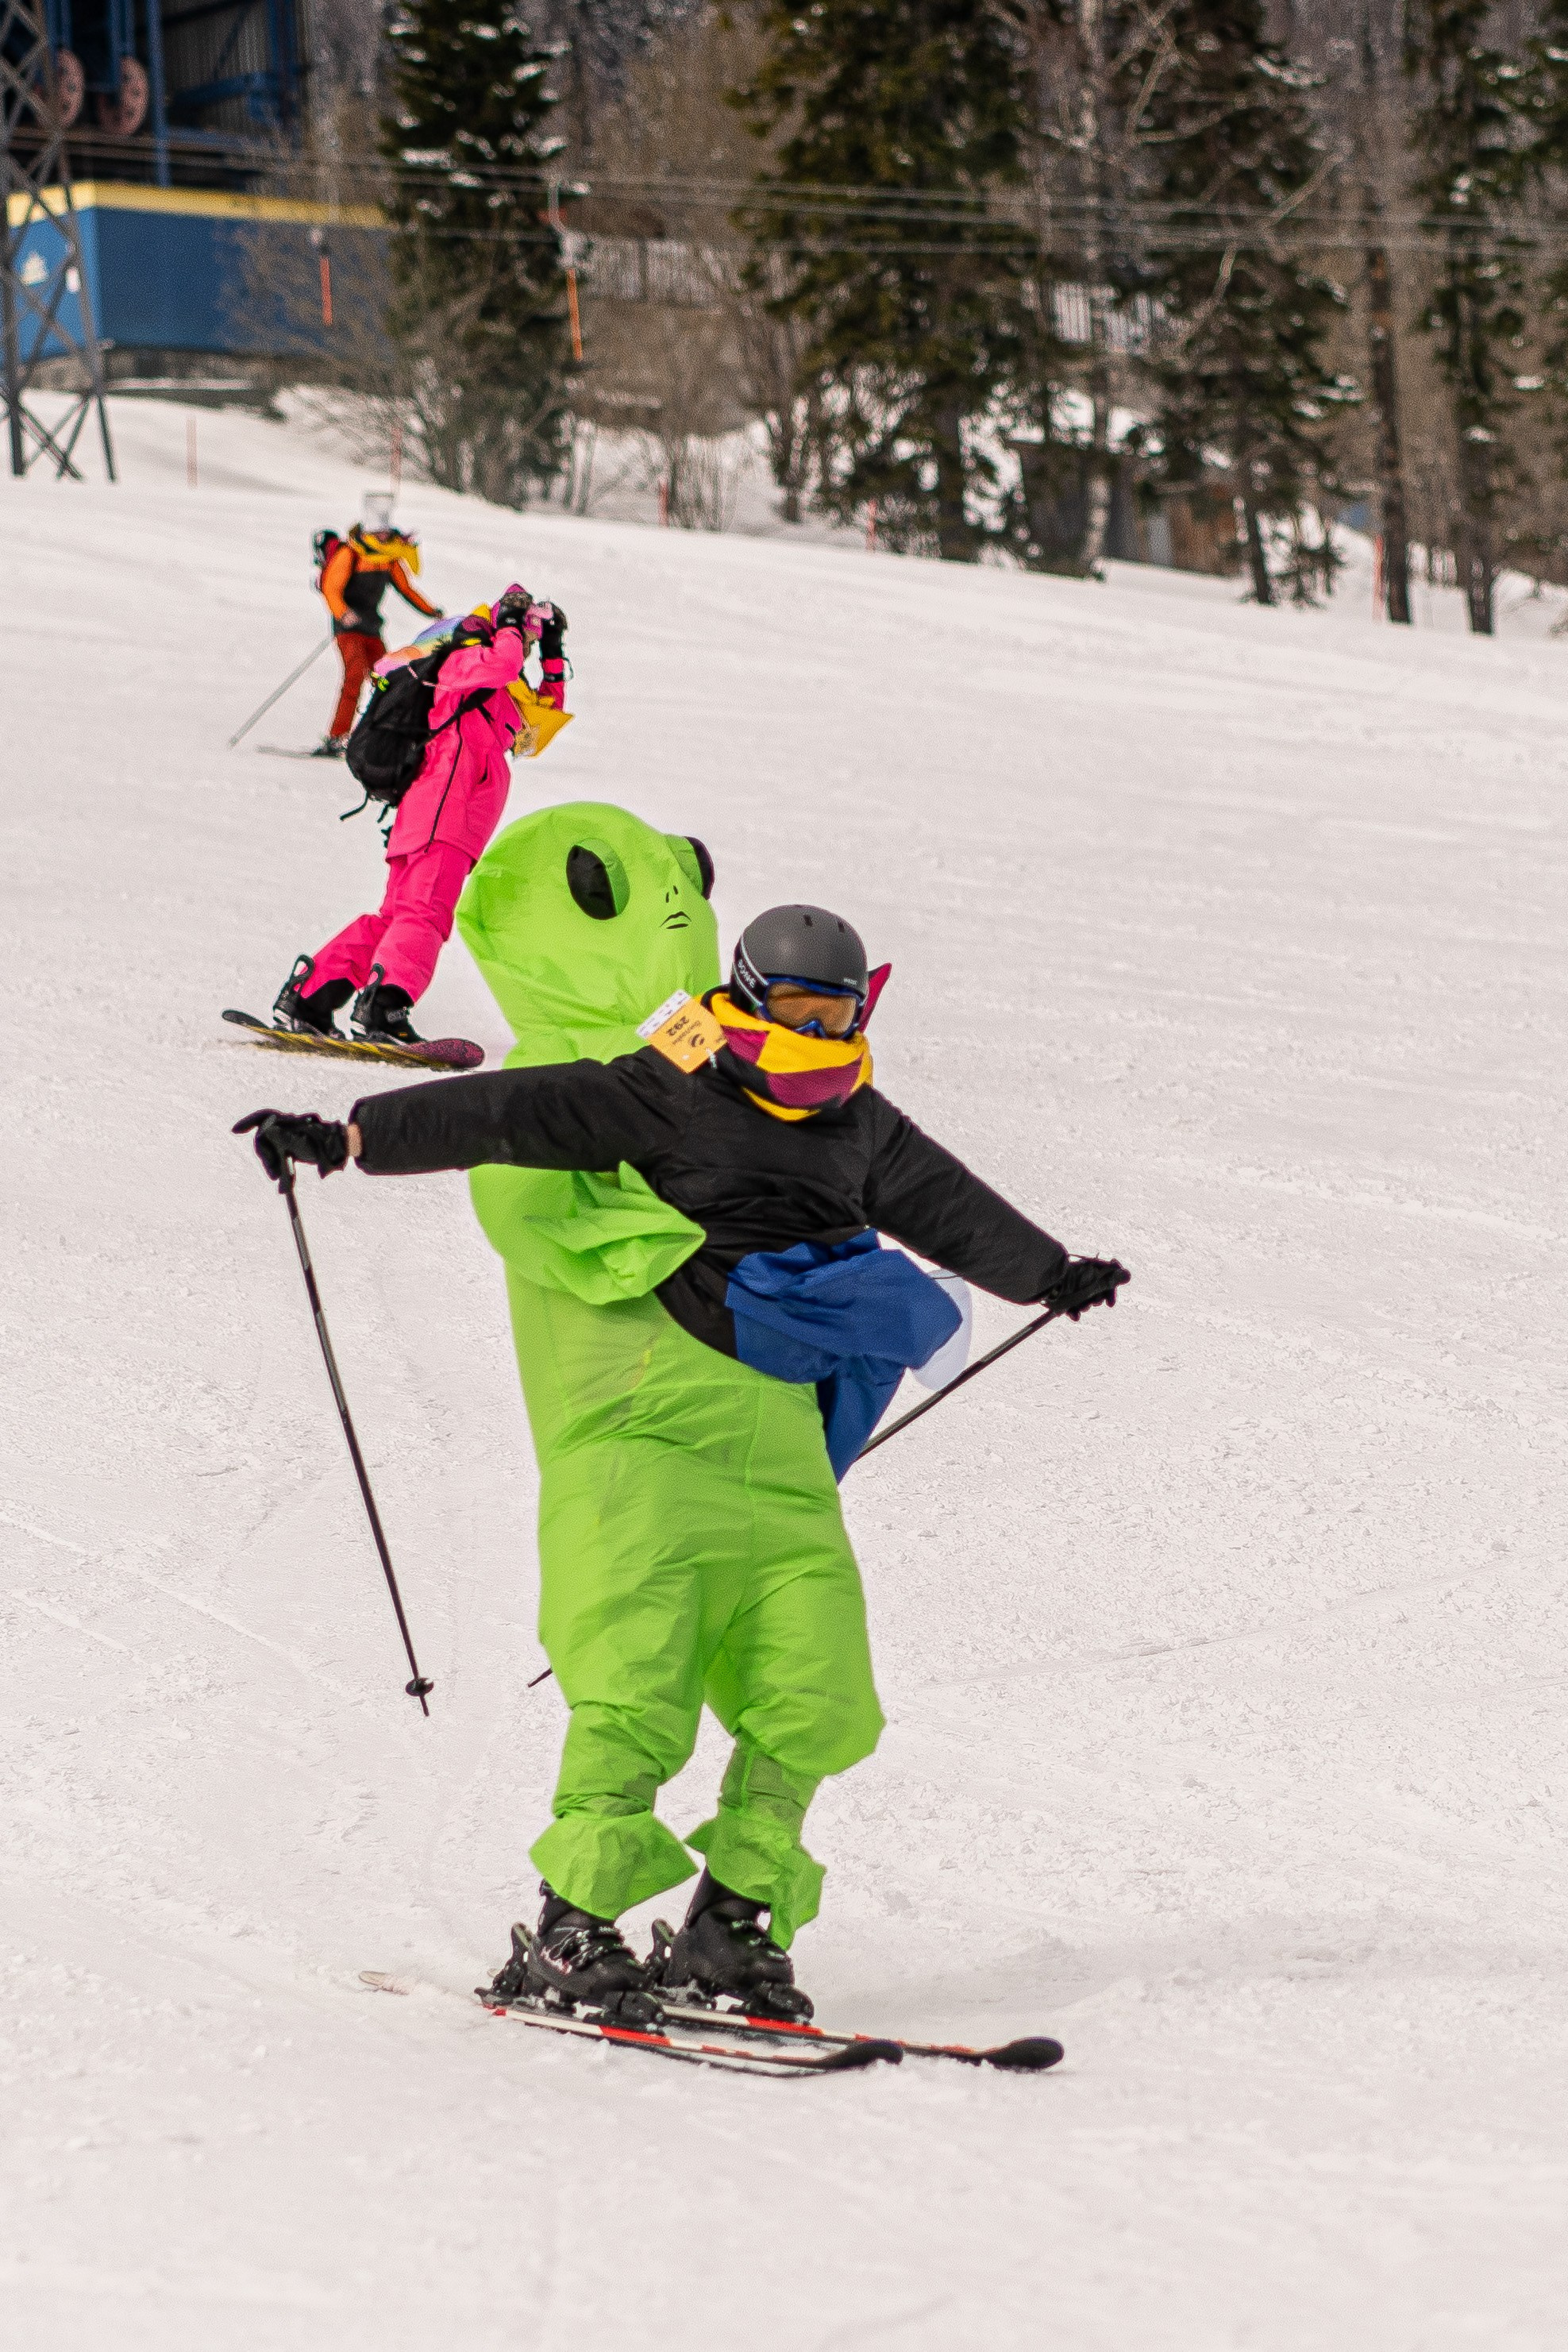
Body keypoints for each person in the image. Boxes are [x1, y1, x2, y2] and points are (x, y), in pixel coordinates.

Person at [239, 816, 1130, 2025]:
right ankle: (569, 1928)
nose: (819, 1035)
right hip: (650, 1432)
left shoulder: (856, 1119)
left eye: (838, 1015)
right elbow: (520, 1111)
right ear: (749, 995)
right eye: (799, 1011)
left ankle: (732, 1923)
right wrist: (350, 1136)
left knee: (815, 1686)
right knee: (636, 1680)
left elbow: (939, 1199)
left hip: (780, 1448)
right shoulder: (672, 1077)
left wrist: (1046, 1271)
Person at [274, 586, 559, 1049]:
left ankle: (310, 998)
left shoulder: (495, 690)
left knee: (396, 918)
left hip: (438, 819)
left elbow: (538, 730)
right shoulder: (461, 664)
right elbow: (503, 663)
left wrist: (553, 656)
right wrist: (508, 625)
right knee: (425, 914)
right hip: (445, 815)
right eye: (523, 638)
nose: (523, 648)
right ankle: (385, 1008)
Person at [316, 518, 441, 757]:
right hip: (348, 629)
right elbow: (331, 588)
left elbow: (406, 589)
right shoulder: (351, 553)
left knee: (387, 680)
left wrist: (431, 611)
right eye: (377, 532)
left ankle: (383, 736)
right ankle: (337, 737)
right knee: (355, 676)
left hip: (372, 628)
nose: (383, 536)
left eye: (384, 531)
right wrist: (343, 613)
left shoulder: (388, 558)